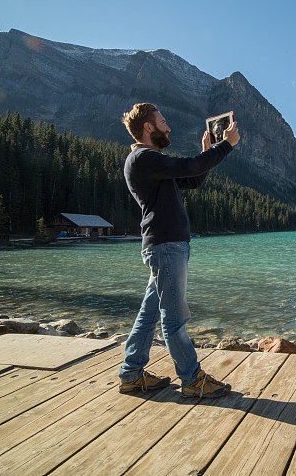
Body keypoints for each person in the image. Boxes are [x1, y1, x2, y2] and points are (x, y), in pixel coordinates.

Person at [117, 102, 240, 398]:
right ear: (149, 127)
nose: (168, 126)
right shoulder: (144, 157)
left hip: (166, 246)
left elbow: (193, 178)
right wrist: (227, 145)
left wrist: (208, 152)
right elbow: (190, 167)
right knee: (174, 318)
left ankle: (131, 375)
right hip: (166, 247)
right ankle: (192, 379)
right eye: (162, 121)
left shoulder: (151, 161)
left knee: (149, 316)